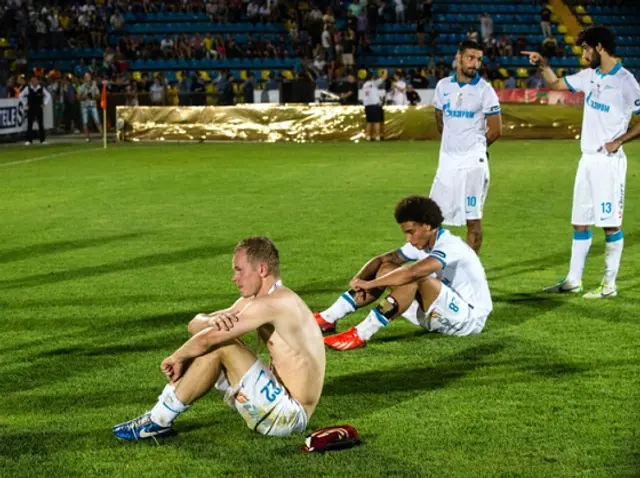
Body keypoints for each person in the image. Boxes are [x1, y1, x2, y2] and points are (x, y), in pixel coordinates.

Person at [113, 237, 326, 440]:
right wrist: (211, 322)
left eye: (239, 270)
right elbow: (194, 325)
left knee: (221, 345)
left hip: (290, 416)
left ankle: (157, 421)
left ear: (261, 269)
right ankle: (158, 418)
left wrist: (177, 357)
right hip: (278, 403)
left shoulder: (275, 303)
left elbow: (206, 340)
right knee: (215, 343)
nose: (235, 277)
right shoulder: (260, 299)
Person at [523, 26, 640, 298]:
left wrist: (619, 140)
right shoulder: (590, 76)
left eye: (586, 49)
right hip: (586, 160)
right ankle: (573, 280)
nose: (584, 55)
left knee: (610, 224)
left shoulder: (626, 81)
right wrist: (543, 64)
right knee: (580, 222)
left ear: (599, 47)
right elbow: (555, 85)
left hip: (608, 162)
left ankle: (609, 285)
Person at [316, 196, 492, 350]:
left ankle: (360, 334)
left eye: (411, 232)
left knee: (413, 276)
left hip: (467, 320)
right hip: (436, 311)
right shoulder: (424, 242)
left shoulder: (450, 245)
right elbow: (383, 259)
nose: (408, 239)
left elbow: (413, 272)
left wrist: (370, 285)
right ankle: (328, 317)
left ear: (428, 226)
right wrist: (359, 279)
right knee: (386, 268)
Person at [431, 40, 502, 253]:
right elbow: (439, 119)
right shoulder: (443, 86)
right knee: (432, 218)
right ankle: (437, 268)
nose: (475, 63)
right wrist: (454, 143)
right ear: (459, 57)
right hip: (447, 162)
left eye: (479, 59)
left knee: (473, 219)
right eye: (470, 58)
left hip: (473, 163)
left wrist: (476, 147)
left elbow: (496, 129)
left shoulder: (485, 90)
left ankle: (470, 272)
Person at [19, 75, 51, 145]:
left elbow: (48, 95)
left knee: (40, 124)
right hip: (31, 108)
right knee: (29, 124)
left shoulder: (41, 88)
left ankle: (42, 140)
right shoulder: (28, 88)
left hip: (39, 108)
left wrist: (44, 103)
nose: (33, 82)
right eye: (32, 80)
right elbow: (20, 95)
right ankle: (29, 140)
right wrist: (25, 103)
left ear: (38, 81)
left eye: (35, 80)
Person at [362, 69, 388, 141]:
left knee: (369, 122)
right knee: (376, 121)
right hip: (374, 104)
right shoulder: (373, 84)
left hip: (367, 104)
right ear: (372, 78)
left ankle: (368, 136)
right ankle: (377, 136)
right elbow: (384, 77)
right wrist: (385, 71)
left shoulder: (365, 85)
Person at [77, 72, 103, 142]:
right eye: (87, 77)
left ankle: (103, 136)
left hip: (93, 105)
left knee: (97, 121)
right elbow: (78, 98)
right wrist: (85, 96)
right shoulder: (81, 87)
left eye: (89, 76)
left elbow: (98, 96)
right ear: (84, 78)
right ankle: (87, 137)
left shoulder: (94, 86)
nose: (88, 78)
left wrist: (93, 96)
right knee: (85, 122)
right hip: (84, 106)